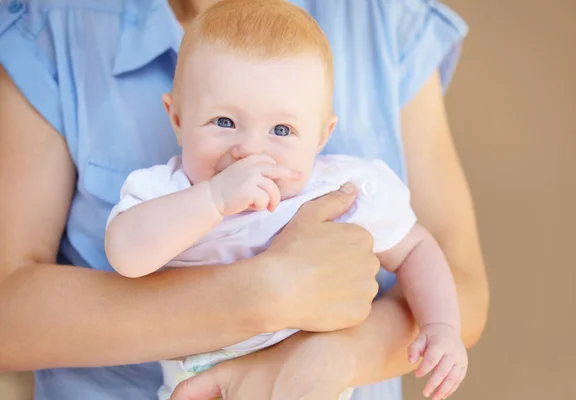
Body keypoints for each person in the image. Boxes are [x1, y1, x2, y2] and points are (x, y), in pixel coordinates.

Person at [0, 0, 489, 399]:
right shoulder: (170, 189)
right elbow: (126, 254)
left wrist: (440, 325)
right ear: (176, 118)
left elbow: (423, 251)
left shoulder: (343, 189)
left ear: (323, 136)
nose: (249, 149)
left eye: (282, 130)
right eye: (224, 123)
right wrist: (212, 202)